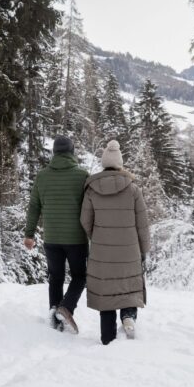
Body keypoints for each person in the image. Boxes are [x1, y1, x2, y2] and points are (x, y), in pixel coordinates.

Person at [80, 140, 151, 345]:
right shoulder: (133, 189)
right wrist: (144, 249)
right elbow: (143, 223)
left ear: (104, 163)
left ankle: (107, 338)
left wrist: (98, 237)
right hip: (129, 250)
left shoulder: (92, 189)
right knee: (128, 286)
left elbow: (85, 220)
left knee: (106, 292)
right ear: (120, 164)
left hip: (102, 252)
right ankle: (128, 316)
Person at [24, 135, 89, 334]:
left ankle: (55, 315)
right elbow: (90, 208)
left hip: (51, 238)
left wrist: (30, 234)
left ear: (54, 153)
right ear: (72, 152)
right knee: (80, 276)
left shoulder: (42, 176)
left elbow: (34, 206)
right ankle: (66, 308)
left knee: (56, 277)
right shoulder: (82, 175)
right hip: (76, 239)